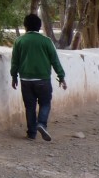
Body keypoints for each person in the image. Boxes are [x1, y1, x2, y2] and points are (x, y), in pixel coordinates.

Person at [10, 13, 67, 141]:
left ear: (25, 26)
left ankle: (31, 133)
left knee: (29, 106)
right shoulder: (46, 41)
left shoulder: (19, 41)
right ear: (39, 26)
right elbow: (54, 60)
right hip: (43, 80)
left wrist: (14, 76)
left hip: (25, 80)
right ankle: (41, 124)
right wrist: (61, 76)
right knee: (45, 103)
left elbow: (15, 62)